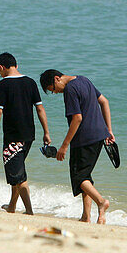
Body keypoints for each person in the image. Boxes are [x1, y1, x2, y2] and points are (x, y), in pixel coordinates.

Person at [39, 69, 113, 224]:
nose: (55, 93)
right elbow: (104, 102)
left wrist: (64, 146)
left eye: (52, 89)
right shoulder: (84, 80)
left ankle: (101, 202)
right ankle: (86, 216)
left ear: (57, 79)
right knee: (85, 175)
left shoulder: (69, 90)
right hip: (99, 136)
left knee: (78, 177)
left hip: (84, 138)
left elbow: (77, 119)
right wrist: (109, 130)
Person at [0, 52, 50, 215]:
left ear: (1, 67)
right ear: (16, 64)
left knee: (18, 176)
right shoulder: (30, 82)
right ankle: (12, 206)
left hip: (13, 136)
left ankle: (29, 210)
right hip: (29, 135)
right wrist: (46, 132)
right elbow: (40, 108)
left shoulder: (2, 85)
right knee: (17, 170)